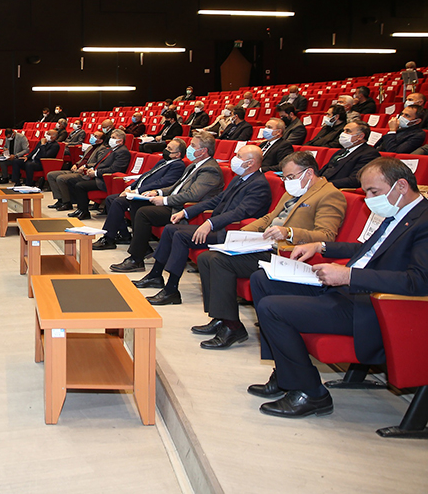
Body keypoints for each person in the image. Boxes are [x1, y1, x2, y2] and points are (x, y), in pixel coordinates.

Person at [247, 157, 428, 418]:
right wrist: (321, 246)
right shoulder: (398, 213)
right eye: (365, 192)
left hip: (371, 306)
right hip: (348, 289)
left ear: (401, 185)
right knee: (263, 280)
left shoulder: (423, 221)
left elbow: (418, 281)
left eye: (373, 192)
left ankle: (311, 393)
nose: (368, 199)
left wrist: (349, 276)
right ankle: (286, 373)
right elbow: (367, 251)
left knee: (272, 308)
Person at [192, 152, 345, 349]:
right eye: (285, 177)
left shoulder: (330, 195)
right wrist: (242, 234)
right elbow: (269, 218)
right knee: (206, 258)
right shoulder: (293, 191)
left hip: (286, 253)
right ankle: (221, 317)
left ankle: (232, 326)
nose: (287, 182)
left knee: (219, 261)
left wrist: (289, 232)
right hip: (264, 244)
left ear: (308, 173)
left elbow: (326, 235)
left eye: (291, 177)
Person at [134, 145, 272, 306]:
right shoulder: (239, 179)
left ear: (250, 163)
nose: (234, 158)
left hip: (232, 232)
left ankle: (171, 290)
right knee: (171, 229)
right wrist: (186, 212)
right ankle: (155, 275)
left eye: (239, 156)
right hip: (220, 227)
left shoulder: (259, 184)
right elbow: (216, 200)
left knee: (181, 236)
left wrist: (210, 223)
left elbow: (239, 213)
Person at [110, 132, 224, 273]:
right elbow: (176, 187)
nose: (189, 148)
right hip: (174, 203)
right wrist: (158, 192)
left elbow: (192, 195)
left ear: (203, 151)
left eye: (193, 145)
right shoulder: (194, 165)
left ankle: (136, 259)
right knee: (136, 203)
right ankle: (143, 248)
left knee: (143, 213)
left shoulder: (210, 169)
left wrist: (164, 200)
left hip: (184, 210)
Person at [92, 139, 187, 248]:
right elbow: (144, 176)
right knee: (110, 199)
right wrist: (129, 188)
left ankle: (108, 239)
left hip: (151, 195)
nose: (165, 149)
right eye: (167, 147)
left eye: (169, 149)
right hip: (139, 192)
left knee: (118, 201)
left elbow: (162, 182)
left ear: (177, 154)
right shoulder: (162, 162)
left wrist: (137, 191)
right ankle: (125, 235)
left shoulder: (178, 165)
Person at [67, 129, 131, 219]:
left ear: (120, 141)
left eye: (113, 138)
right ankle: (80, 209)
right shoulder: (110, 150)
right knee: (72, 181)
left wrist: (96, 173)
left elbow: (115, 169)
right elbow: (100, 163)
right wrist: (92, 169)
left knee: (80, 185)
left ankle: (84, 212)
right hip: (98, 176)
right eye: (111, 137)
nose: (111, 139)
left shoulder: (122, 152)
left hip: (106, 180)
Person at [44, 132, 108, 209]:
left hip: (84, 172)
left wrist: (85, 166)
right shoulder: (90, 147)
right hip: (76, 169)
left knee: (61, 178)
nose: (92, 137)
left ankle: (67, 203)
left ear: (100, 140)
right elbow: (83, 159)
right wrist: (76, 164)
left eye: (96, 136)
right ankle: (60, 200)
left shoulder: (102, 149)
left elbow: (98, 163)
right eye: (93, 135)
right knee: (51, 175)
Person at [319, 120, 380, 189]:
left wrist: (325, 184)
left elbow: (355, 180)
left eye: (348, 131)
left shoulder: (369, 154)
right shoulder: (341, 152)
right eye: (344, 131)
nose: (343, 134)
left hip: (334, 188)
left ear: (360, 136)